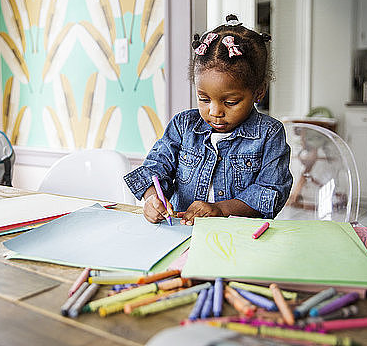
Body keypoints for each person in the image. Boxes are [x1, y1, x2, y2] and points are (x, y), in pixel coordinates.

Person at [124, 14, 293, 225]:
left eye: (230, 102)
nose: (215, 111)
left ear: (259, 92)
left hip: (240, 237)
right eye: (204, 99)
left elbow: (271, 191)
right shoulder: (183, 126)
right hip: (184, 233)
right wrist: (152, 199)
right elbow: (155, 170)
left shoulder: (269, 133)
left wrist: (221, 209)